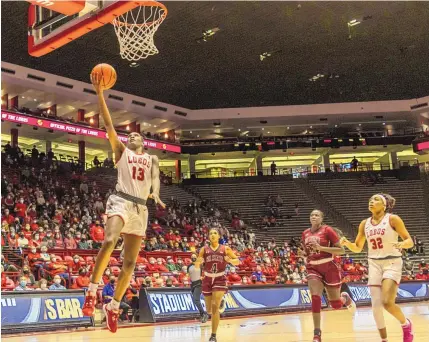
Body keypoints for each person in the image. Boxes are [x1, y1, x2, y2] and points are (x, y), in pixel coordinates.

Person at [82, 72, 165, 334]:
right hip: (121, 200)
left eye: (136, 136)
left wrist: (156, 193)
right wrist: (99, 95)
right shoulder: (121, 151)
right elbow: (107, 125)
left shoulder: (152, 159)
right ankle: (92, 290)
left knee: (130, 264)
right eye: (129, 136)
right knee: (109, 240)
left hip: (140, 208)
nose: (131, 137)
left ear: (144, 141)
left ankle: (114, 306)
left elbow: (155, 178)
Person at [340, 193, 415, 342]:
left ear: (384, 205)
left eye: (376, 200)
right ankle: (384, 340)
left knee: (387, 303)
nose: (371, 202)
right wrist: (347, 243)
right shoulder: (364, 223)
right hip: (374, 263)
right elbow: (357, 247)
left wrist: (402, 244)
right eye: (370, 200)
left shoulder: (393, 219)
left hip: (392, 262)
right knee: (375, 306)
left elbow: (409, 241)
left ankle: (406, 324)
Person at [300, 209, 356, 342]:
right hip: (313, 267)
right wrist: (304, 254)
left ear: (321, 218)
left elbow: (341, 250)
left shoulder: (328, 230)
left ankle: (345, 298)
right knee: (315, 298)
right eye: (312, 215)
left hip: (329, 267)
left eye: (317, 215)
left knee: (336, 304)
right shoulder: (305, 233)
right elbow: (306, 252)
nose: (314, 217)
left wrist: (321, 248)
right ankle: (317, 334)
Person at [195, 228, 240, 342]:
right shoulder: (203, 249)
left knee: (215, 306)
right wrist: (198, 262)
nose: (212, 235)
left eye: (215, 233)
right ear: (208, 237)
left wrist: (229, 260)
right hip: (207, 278)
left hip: (220, 278)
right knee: (209, 310)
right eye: (210, 233)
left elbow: (237, 261)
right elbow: (197, 264)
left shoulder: (225, 248)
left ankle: (213, 335)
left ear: (219, 236)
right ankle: (220, 303)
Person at [187, 253, 208, 323]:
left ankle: (204, 314)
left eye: (194, 257)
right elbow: (188, 275)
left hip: (199, 283)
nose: (193, 258)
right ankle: (202, 314)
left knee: (196, 299)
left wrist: (203, 278)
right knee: (196, 301)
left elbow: (206, 272)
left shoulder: (200, 265)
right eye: (192, 257)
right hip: (192, 284)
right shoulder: (189, 266)